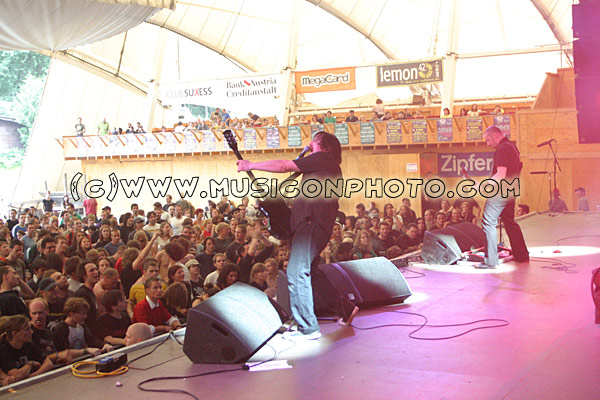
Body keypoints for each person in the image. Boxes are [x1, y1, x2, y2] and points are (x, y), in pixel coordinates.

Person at [237, 131, 358, 341]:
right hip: (314, 225)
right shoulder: (324, 167)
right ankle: (345, 309)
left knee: (296, 271)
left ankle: (307, 328)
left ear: (325, 146)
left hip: (312, 224)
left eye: (313, 144)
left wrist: (251, 165)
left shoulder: (323, 158)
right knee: (311, 270)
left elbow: (285, 165)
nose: (309, 146)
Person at [476, 126, 529, 268]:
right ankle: (522, 255)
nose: (487, 143)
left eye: (488, 140)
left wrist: (483, 186)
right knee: (509, 222)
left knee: (488, 222)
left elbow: (500, 174)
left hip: (501, 192)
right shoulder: (513, 147)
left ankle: (490, 261)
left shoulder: (502, 149)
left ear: (495, 136)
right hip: (511, 191)